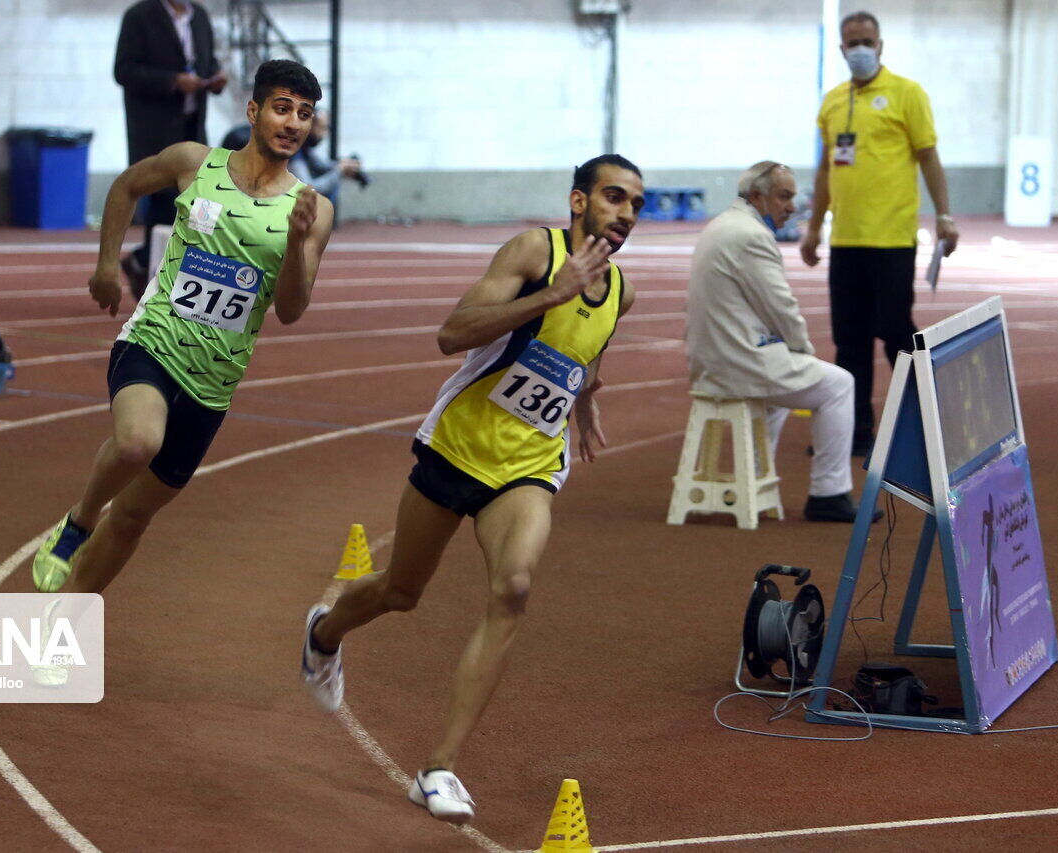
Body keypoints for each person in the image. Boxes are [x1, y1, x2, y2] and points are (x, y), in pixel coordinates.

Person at [300, 155, 644, 825]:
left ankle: (438, 767)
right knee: (401, 591)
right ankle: (326, 631)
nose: (626, 212)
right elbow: (450, 333)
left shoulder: (622, 292)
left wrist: (586, 399)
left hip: (528, 464)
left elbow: (585, 351)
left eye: (636, 202)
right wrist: (551, 292)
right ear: (579, 201)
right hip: (456, 445)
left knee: (513, 588)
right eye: (613, 196)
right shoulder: (531, 252)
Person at [30, 60, 333, 598]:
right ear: (254, 110)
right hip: (153, 342)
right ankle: (77, 521)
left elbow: (291, 309)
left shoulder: (312, 209)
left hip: (213, 385)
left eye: (304, 114)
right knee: (136, 442)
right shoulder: (195, 162)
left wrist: (294, 241)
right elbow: (126, 187)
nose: (293, 123)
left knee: (132, 519)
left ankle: (67, 621)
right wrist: (106, 264)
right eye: (282, 108)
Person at [800, 10, 959, 457]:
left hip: (892, 240)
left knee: (894, 329)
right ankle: (852, 431)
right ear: (841, 49)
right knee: (849, 340)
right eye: (851, 43)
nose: (860, 49)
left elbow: (928, 157)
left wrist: (944, 215)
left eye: (867, 40)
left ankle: (928, 418)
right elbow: (825, 170)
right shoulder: (832, 102)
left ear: (881, 45)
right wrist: (814, 227)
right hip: (846, 242)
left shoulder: (907, 94)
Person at [687, 161, 881, 524]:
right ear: (757, 196)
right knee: (840, 384)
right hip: (738, 361)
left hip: (714, 359)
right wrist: (803, 350)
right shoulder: (751, 235)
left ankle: (758, 479)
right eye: (785, 196)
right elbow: (782, 307)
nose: (792, 206)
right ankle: (829, 493)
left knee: (782, 389)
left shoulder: (723, 225)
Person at [114, 0, 229, 299]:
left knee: (198, 204)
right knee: (165, 202)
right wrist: (173, 82)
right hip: (155, 128)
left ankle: (144, 262)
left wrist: (215, 77)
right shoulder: (139, 16)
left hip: (193, 126)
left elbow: (206, 60)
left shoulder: (200, 16)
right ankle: (154, 274)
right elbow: (124, 70)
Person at [288, 111, 365, 206]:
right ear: (310, 126)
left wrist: (344, 164)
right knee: (332, 183)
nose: (325, 133)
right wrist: (340, 170)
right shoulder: (294, 151)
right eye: (322, 128)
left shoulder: (304, 147)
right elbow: (307, 189)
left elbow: (320, 166)